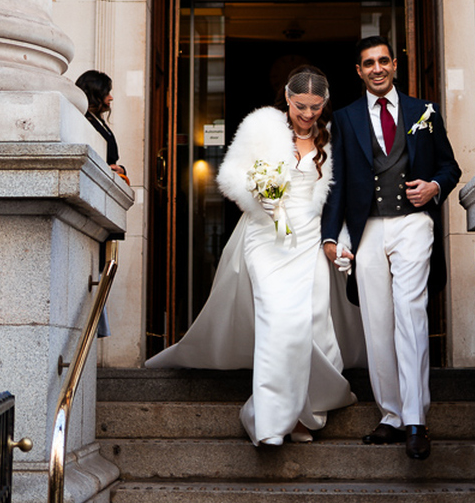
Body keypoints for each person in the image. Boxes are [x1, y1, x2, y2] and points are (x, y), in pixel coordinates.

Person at [146, 66, 363, 446]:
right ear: (287, 98)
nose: (308, 115)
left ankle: (300, 413)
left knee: (310, 325)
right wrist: (259, 196)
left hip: (309, 238)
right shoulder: (262, 125)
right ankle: (269, 421)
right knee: (278, 322)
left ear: (325, 103)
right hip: (266, 237)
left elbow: (338, 196)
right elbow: (229, 174)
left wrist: (337, 237)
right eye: (300, 107)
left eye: (315, 107)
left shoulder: (333, 139)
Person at [320, 35, 461, 461]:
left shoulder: (424, 112)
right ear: (359, 71)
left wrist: (434, 185)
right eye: (369, 63)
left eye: (383, 61)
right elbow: (337, 181)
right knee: (377, 323)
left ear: (395, 65)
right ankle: (391, 416)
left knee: (411, 315)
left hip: (413, 225)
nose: (377, 68)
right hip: (368, 230)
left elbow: (449, 165)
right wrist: (330, 236)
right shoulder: (344, 119)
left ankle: (416, 419)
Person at [76, 69, 129, 184]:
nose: (111, 97)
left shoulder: (98, 121)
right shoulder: (83, 120)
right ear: (96, 94)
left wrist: (121, 170)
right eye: (107, 93)